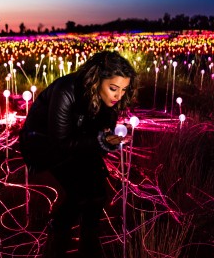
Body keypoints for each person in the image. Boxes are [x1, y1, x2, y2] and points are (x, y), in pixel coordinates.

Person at [18, 50, 137, 257]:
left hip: (80, 144)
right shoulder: (67, 90)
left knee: (98, 193)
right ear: (97, 80)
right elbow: (61, 142)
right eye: (113, 88)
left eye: (124, 90)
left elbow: (99, 136)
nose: (119, 96)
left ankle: (88, 242)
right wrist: (99, 142)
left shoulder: (111, 102)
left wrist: (106, 142)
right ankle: (58, 235)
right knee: (83, 193)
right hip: (43, 145)